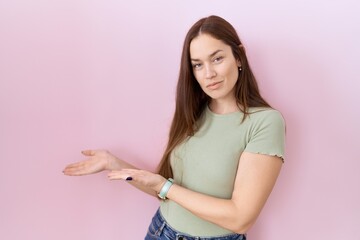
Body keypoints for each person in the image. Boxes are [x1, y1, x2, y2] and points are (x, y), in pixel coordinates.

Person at [63, 15, 285, 240]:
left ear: (239, 57)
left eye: (217, 59)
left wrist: (165, 186)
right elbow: (165, 191)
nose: (208, 74)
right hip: (161, 231)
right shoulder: (193, 112)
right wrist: (114, 163)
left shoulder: (265, 122)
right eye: (198, 65)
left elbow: (241, 218)